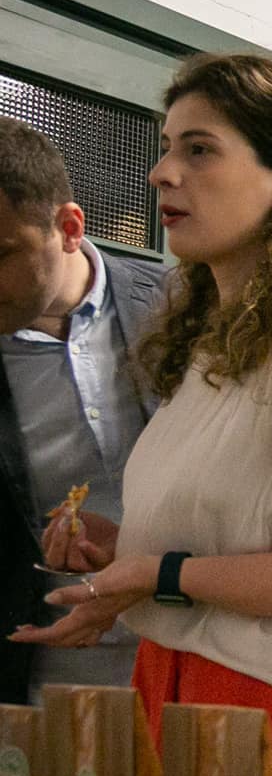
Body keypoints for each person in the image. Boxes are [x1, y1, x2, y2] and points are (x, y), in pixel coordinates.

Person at [11, 53, 272, 776]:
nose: (163, 172)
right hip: (181, 696)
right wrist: (123, 549)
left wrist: (159, 573)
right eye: (168, 148)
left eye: (199, 150)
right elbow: (245, 541)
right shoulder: (211, 354)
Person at [0, 118, 165, 701]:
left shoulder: (186, 305)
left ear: (69, 228)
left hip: (201, 652)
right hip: (44, 675)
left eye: (0, 254)